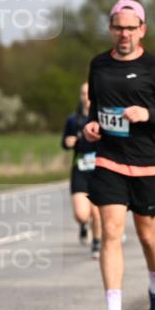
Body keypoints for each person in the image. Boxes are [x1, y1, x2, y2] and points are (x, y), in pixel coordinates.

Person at [83, 0, 155, 310]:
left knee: (147, 235)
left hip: (147, 164)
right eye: (118, 27)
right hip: (109, 159)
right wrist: (91, 127)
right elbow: (96, 110)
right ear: (110, 29)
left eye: (131, 28)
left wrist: (148, 115)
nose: (124, 34)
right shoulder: (98, 65)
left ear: (142, 29)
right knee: (111, 232)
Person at [61, 82, 102, 258]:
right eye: (83, 94)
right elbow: (64, 142)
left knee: (96, 210)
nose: (86, 97)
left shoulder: (102, 118)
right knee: (81, 214)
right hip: (80, 169)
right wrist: (68, 142)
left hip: (99, 170)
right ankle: (84, 225)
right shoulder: (73, 120)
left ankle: (97, 243)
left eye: (89, 93)